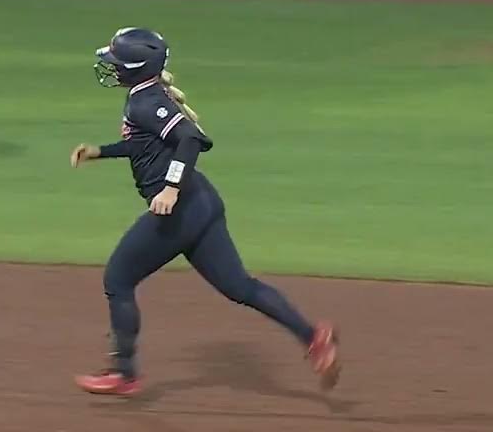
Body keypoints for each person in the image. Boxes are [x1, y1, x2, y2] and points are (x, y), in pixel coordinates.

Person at [68, 28, 341, 397]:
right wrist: (101, 152)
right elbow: (144, 145)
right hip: (202, 203)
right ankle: (313, 338)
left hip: (180, 212)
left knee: (117, 280)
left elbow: (191, 139)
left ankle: (124, 372)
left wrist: (170, 187)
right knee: (239, 287)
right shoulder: (147, 97)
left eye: (117, 63)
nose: (112, 68)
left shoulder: (146, 101)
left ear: (135, 69)